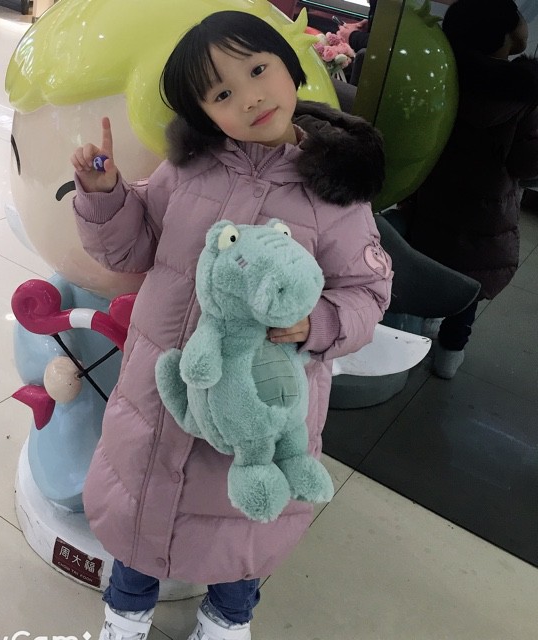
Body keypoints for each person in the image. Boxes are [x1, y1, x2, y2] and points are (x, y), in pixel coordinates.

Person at [71, 11, 392, 640]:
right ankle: (125, 613)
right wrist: (106, 193)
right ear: (203, 113)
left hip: (261, 407)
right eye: (221, 93)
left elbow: (367, 292)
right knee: (141, 508)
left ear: (290, 67)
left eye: (258, 69)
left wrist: (317, 322)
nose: (249, 98)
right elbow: (133, 248)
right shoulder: (189, 169)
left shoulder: (335, 193)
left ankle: (227, 619)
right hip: (163, 392)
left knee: (245, 526)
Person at [406, 0, 538, 379]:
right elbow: (527, 165)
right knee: (470, 281)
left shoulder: (438, 72)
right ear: (504, 35)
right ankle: (449, 353)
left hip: (429, 195)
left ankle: (415, 330)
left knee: (426, 263)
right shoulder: (523, 95)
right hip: (485, 214)